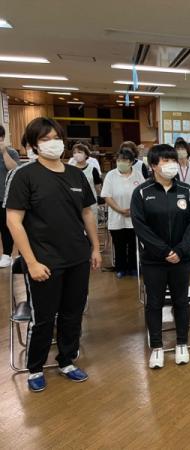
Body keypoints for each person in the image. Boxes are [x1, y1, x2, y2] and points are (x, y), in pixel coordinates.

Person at [5, 117, 102, 392]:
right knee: (44, 317)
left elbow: (87, 213)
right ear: (34, 145)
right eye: (45, 139)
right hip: (43, 261)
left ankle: (67, 361)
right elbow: (14, 221)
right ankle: (35, 368)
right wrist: (31, 262)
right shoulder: (24, 175)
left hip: (77, 257)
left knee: (73, 313)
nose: (52, 143)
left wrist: (95, 248)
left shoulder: (75, 174)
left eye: (56, 137)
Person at [131, 144, 190, 368]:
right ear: (153, 165)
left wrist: (180, 249)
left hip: (181, 258)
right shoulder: (142, 192)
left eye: (173, 160)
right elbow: (140, 226)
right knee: (154, 303)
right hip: (154, 260)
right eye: (165, 161)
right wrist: (163, 251)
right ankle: (157, 346)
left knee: (181, 301)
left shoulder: (186, 191)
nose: (171, 165)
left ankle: (182, 343)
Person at [101, 147, 145, 278]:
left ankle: (133, 267)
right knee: (119, 244)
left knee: (133, 244)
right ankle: (120, 268)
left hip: (134, 216)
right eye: (119, 160)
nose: (121, 163)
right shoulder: (111, 175)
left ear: (131, 162)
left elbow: (143, 194)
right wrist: (119, 209)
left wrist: (134, 210)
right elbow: (107, 196)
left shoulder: (138, 175)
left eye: (125, 160)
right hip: (116, 216)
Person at [0, 124, 20, 268]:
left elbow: (14, 169)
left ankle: (7, 254)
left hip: (5, 196)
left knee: (6, 227)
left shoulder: (11, 152)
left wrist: (4, 152)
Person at [70, 143, 102, 219]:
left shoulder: (93, 170)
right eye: (74, 152)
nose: (77, 154)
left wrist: (100, 198)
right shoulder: (70, 170)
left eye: (79, 152)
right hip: (75, 202)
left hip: (91, 203)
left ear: (86, 155)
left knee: (91, 223)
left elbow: (98, 188)